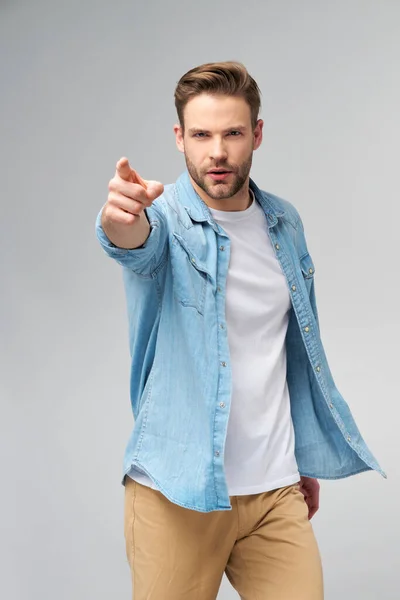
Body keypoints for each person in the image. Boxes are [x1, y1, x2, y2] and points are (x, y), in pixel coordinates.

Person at [95, 61, 386, 600]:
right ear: (179, 137)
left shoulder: (284, 223)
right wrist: (120, 220)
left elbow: (289, 353)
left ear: (256, 133)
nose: (218, 152)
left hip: (275, 490)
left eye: (232, 133)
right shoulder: (163, 220)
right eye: (201, 135)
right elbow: (131, 241)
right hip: (178, 494)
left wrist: (301, 457)